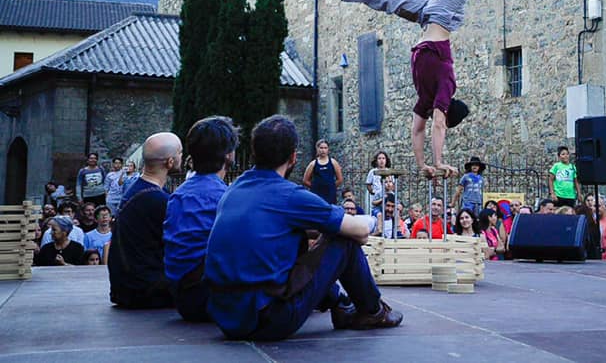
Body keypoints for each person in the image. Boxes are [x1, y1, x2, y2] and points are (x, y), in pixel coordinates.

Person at [298, 0, 526, 178]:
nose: (435, 116)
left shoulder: (443, 90)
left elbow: (431, 126)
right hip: (432, 20)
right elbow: (420, 128)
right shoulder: (431, 97)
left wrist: (435, 162)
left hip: (438, 17)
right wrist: (427, 164)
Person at [205, 115, 401, 340]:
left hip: (226, 317)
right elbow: (359, 230)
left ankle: (340, 303)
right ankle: (372, 311)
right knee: (343, 240)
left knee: (298, 236)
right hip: (266, 319)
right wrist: (357, 226)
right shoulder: (289, 195)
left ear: (254, 152)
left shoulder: (233, 190)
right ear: (293, 157)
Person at [163, 116, 237, 322]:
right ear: (229, 155)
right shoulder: (225, 197)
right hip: (209, 298)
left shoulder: (178, 195)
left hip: (182, 297)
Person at [108, 131, 182, 309]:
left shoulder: (137, 191)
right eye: (180, 152)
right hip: (145, 291)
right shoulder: (158, 200)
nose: (183, 156)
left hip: (125, 288)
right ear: (170, 162)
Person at [302, 139, 342, 205]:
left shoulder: (333, 162)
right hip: (317, 194)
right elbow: (305, 180)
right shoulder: (313, 164)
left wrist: (331, 186)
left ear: (328, 149)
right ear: (317, 149)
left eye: (325, 148)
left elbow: (340, 179)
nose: (323, 150)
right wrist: (315, 187)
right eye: (321, 148)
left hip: (330, 194)